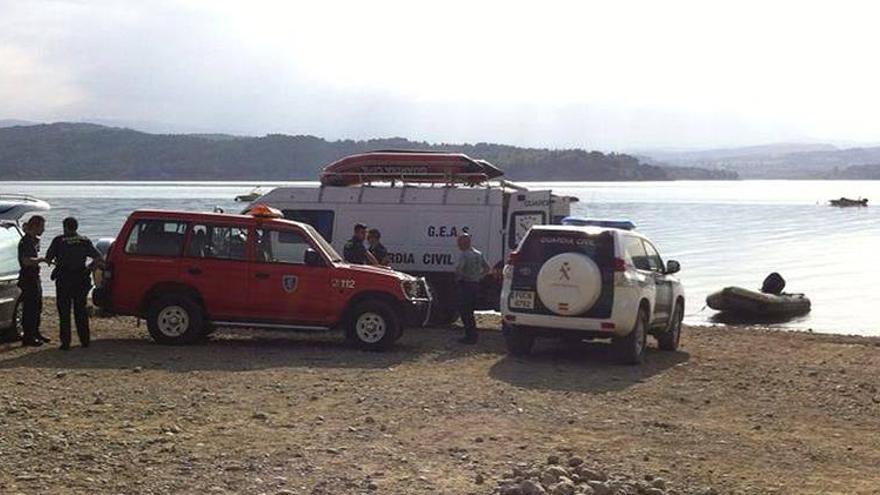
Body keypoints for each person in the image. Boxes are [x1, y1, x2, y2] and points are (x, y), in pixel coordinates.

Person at [45, 217, 103, 350]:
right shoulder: (84, 241)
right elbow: (99, 258)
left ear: (65, 227)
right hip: (80, 278)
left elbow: (48, 259)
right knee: (80, 310)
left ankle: (66, 343)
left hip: (64, 279)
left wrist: (55, 262)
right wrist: (89, 268)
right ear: (76, 227)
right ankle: (85, 340)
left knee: (64, 312)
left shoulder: (59, 241)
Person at [17, 215, 50, 347]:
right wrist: (40, 260)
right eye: (42, 226)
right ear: (35, 226)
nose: (43, 229)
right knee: (29, 307)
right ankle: (28, 336)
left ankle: (35, 332)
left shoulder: (35, 240)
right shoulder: (25, 242)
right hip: (27, 278)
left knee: (37, 306)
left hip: (35, 277)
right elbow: (25, 261)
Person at [454, 233, 490, 344]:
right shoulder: (478, 254)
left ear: (464, 243)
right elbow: (487, 268)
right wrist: (479, 277)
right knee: (470, 312)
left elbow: (459, 269)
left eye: (459, 242)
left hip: (466, 285)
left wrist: (459, 277)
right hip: (475, 284)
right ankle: (473, 335)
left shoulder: (464, 255)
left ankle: (469, 336)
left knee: (465, 312)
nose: (458, 245)